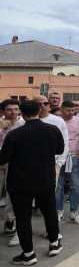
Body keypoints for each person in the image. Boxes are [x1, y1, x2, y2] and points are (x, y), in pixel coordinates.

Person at [0, 100, 64, 265]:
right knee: (49, 212)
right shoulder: (52, 130)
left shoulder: (14, 134)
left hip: (20, 182)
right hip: (45, 179)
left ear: (22, 112)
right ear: (39, 110)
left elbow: (3, 158)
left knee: (23, 217)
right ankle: (54, 244)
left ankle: (28, 254)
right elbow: (60, 150)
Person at [56, 101, 79, 225]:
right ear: (61, 109)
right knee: (58, 187)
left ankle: (74, 212)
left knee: (76, 185)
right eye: (68, 110)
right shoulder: (57, 121)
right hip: (59, 158)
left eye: (73, 110)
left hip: (75, 157)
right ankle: (58, 211)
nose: (71, 113)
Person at [0, 100, 24, 244]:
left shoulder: (23, 125)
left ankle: (9, 221)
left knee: (11, 195)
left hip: (14, 166)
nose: (13, 112)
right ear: (3, 111)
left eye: (16, 109)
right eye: (9, 109)